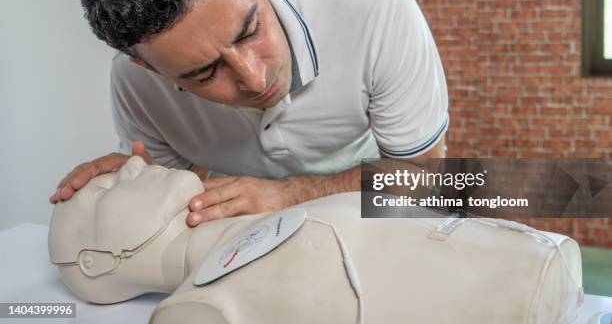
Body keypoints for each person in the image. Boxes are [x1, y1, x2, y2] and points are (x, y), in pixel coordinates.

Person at [49, 0, 449, 227]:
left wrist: (288, 195)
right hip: (247, 240)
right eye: (205, 73)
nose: (256, 79)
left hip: (376, 214)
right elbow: (182, 195)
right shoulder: (135, 82)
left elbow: (426, 177)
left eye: (250, 30)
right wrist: (137, 184)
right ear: (148, 67)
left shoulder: (373, 5)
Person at [48, 156, 582, 324]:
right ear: (94, 260)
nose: (134, 161)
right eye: (107, 187)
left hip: (549, 266)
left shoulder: (274, 215)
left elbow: (429, 175)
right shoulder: (203, 308)